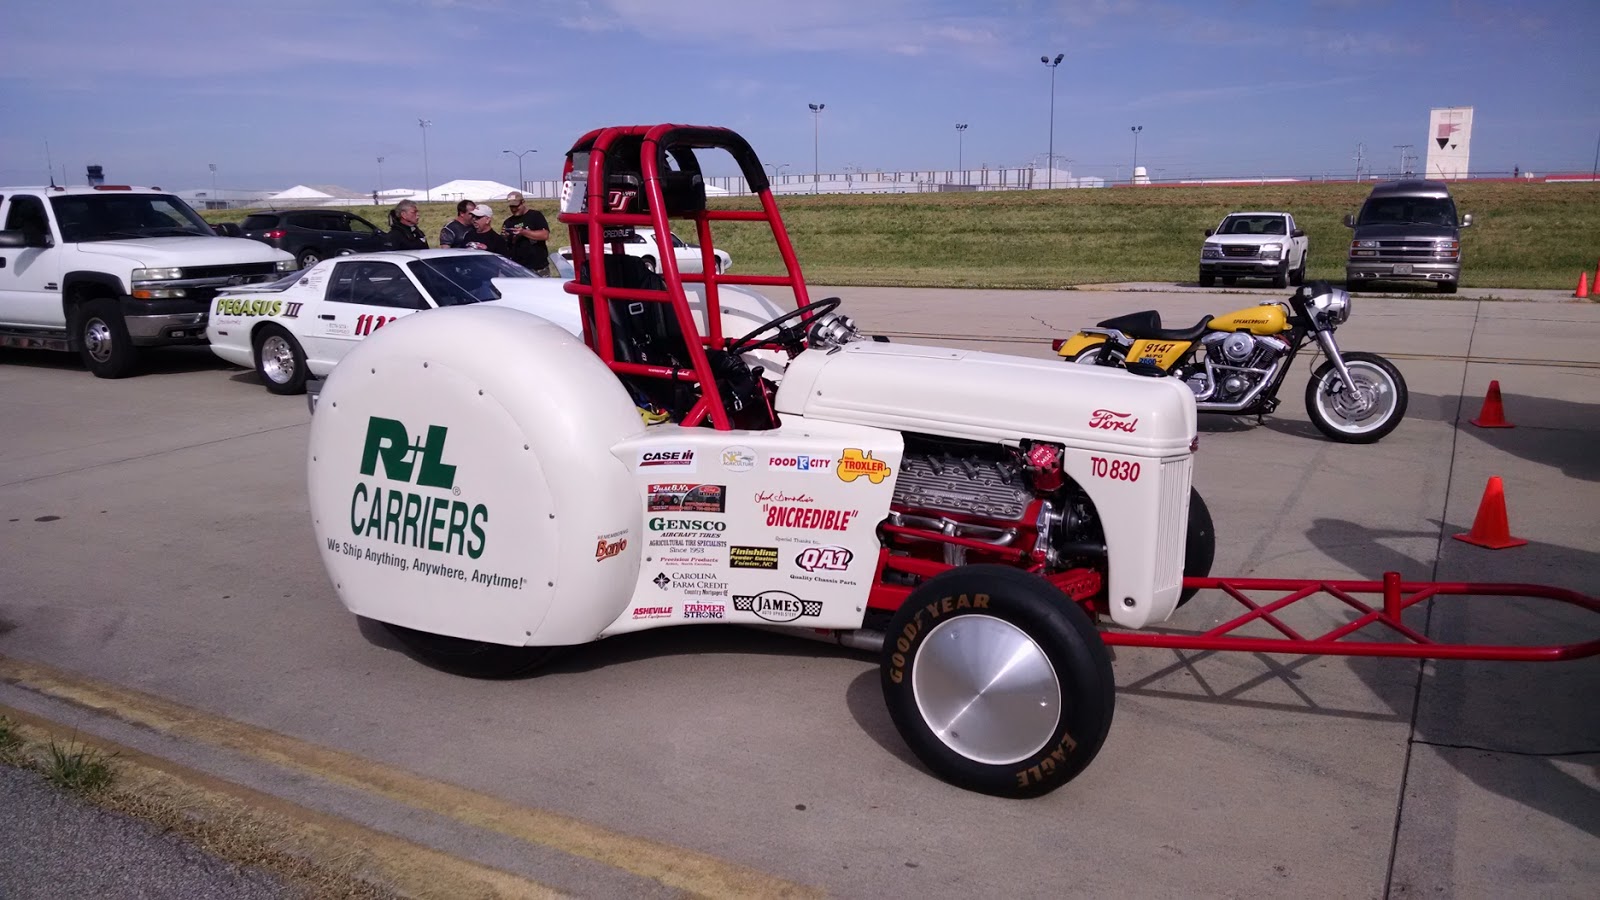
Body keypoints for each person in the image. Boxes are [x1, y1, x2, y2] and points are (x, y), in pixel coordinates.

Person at [501, 192, 552, 275]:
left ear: (523, 202)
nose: (514, 209)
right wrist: (506, 237)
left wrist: (523, 232)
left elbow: (544, 235)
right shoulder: (508, 222)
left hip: (538, 267)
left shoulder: (535, 216)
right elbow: (505, 244)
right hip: (518, 268)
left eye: (516, 206)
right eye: (511, 207)